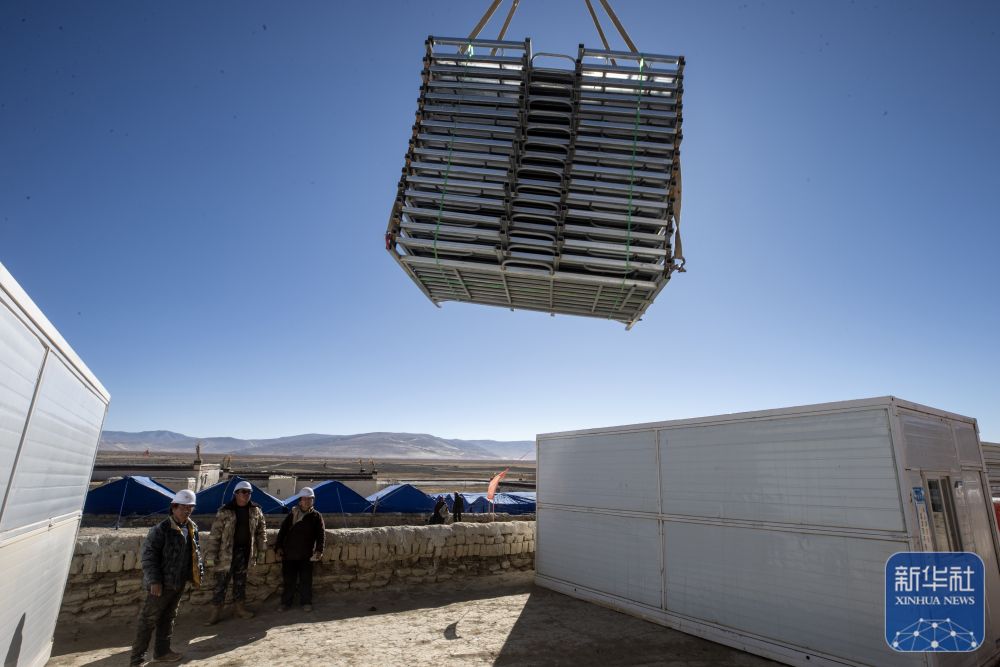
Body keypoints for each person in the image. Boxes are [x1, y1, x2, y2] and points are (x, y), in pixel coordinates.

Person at [129, 489, 203, 666]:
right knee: (148, 620)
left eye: (190, 507)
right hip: (161, 584)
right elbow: (149, 557)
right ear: (174, 507)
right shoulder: (161, 530)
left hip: (178, 583)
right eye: (183, 507)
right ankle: (137, 660)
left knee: (168, 617)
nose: (187, 510)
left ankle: (162, 652)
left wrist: (196, 575)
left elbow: (195, 553)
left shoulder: (192, 528)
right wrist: (155, 581)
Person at [204, 480, 267, 624]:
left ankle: (240, 609)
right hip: (226, 555)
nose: (246, 495)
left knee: (240, 582)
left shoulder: (255, 510)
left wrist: (262, 550)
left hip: (244, 554)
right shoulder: (225, 511)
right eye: (243, 492)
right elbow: (215, 534)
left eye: (248, 492)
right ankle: (215, 613)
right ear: (236, 494)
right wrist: (211, 555)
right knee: (221, 584)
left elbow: (261, 530)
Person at [275, 486, 325, 611]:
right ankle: (286, 603)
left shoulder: (316, 516)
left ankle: (306, 602)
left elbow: (321, 535)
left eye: (310, 499)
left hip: (306, 554)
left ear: (313, 500)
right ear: (300, 500)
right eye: (305, 499)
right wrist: (279, 547)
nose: (307, 501)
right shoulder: (292, 514)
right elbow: (282, 531)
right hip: (289, 553)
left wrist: (319, 550)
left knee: (306, 580)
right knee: (289, 580)